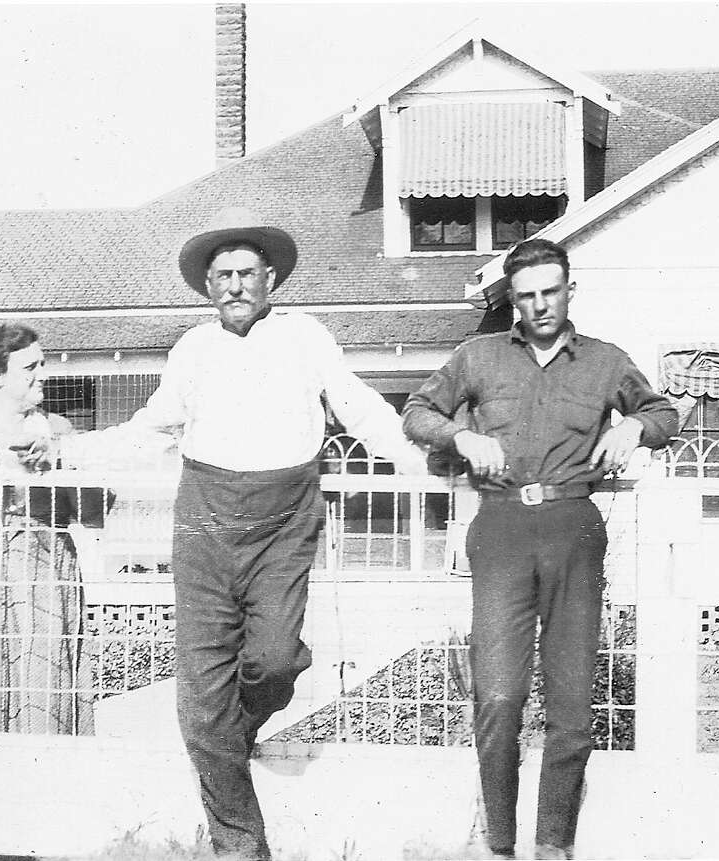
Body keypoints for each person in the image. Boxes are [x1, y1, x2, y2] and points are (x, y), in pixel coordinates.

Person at [60, 207, 427, 861]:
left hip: (284, 520)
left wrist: (428, 462)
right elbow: (150, 428)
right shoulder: (191, 350)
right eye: (220, 275)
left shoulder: (306, 338)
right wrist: (73, 452)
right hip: (203, 519)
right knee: (199, 707)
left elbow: (362, 407)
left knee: (276, 661)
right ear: (207, 287)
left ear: (272, 279)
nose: (232, 285)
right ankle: (241, 846)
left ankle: (232, 731)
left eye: (245, 273)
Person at [402, 237, 677, 860]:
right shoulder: (478, 357)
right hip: (500, 529)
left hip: (573, 528)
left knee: (573, 705)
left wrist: (633, 424)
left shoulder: (606, 363)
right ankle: (500, 843)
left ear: (569, 291)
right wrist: (460, 437)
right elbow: (417, 412)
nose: (539, 306)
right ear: (513, 301)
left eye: (550, 292)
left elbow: (665, 412)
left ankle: (554, 846)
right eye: (526, 297)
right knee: (498, 696)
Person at [0, 323, 95, 736]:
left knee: (41, 665)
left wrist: (60, 468)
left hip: (43, 562)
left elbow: (96, 509)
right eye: (30, 366)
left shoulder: (56, 429)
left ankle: (43, 765)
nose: (42, 374)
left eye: (43, 364)